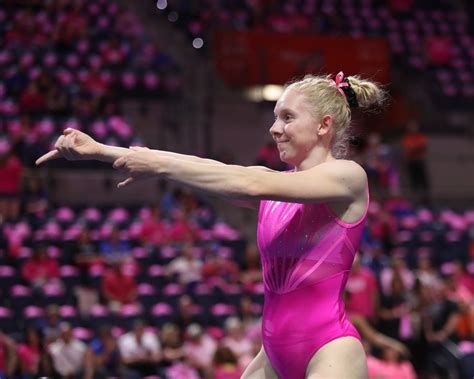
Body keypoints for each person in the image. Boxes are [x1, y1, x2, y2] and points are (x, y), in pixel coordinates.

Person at [36, 71, 386, 378]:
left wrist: (155, 164)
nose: (274, 128)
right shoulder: (274, 186)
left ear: (324, 125)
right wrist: (99, 150)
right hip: (274, 354)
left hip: (329, 350)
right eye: (275, 117)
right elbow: (207, 169)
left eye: (287, 117)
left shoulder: (348, 177)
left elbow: (242, 182)